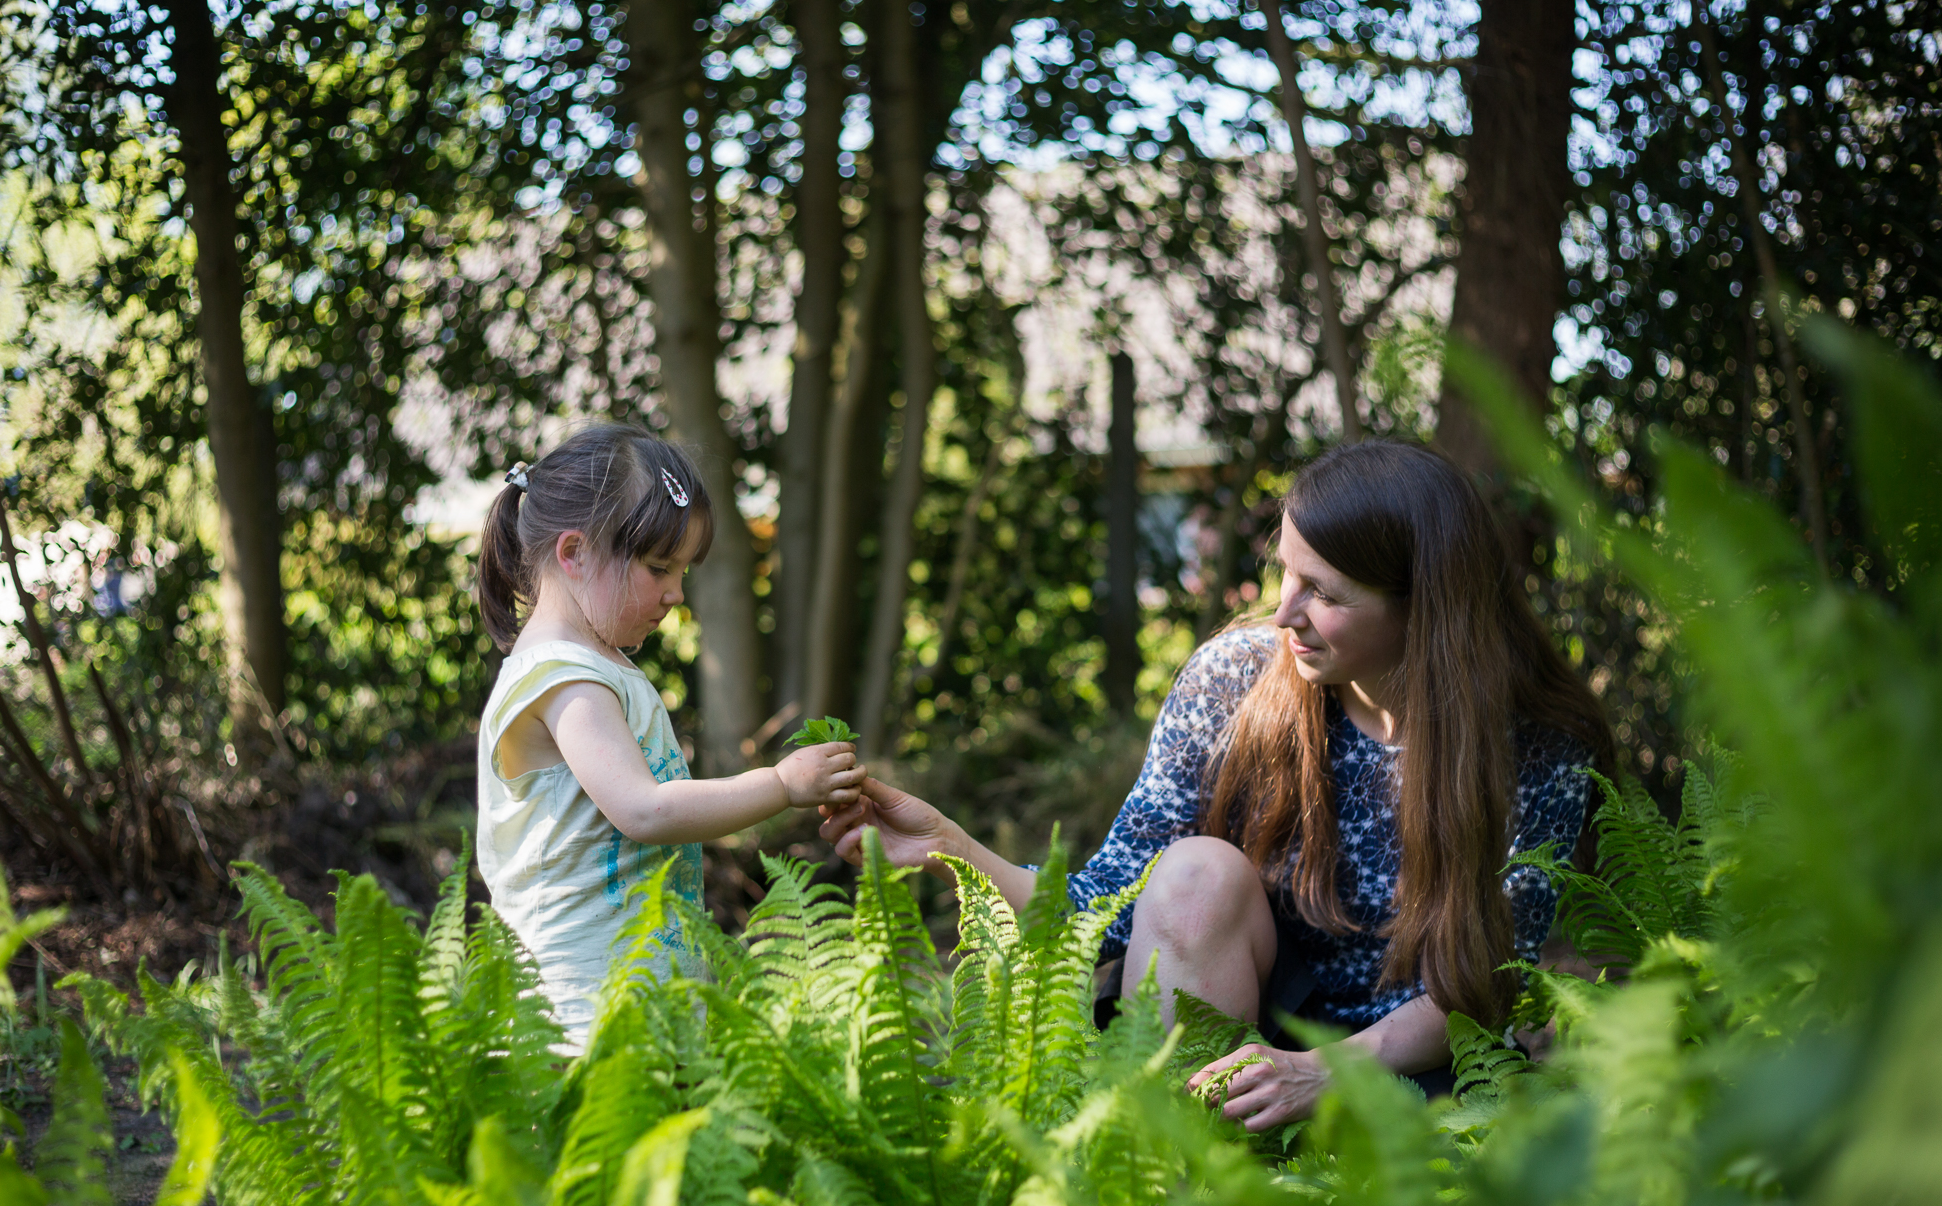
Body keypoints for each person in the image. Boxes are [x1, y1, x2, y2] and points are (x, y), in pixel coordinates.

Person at [819, 440, 1611, 1130]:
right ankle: (1183, 1195)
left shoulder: (1538, 745)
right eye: (1286, 573)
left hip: (1419, 1072)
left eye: (1325, 593)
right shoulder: (1234, 682)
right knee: (1194, 874)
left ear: (1426, 608)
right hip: (1238, 1044)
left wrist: (1327, 1071)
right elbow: (1109, 906)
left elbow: (1485, 983)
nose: (1285, 611)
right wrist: (948, 851)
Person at [476, 424, 865, 1053]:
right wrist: (782, 784)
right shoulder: (563, 677)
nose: (676, 593)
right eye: (660, 568)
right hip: (577, 1028)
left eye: (682, 570)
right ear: (574, 554)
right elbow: (643, 810)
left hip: (637, 1014)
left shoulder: (597, 663)